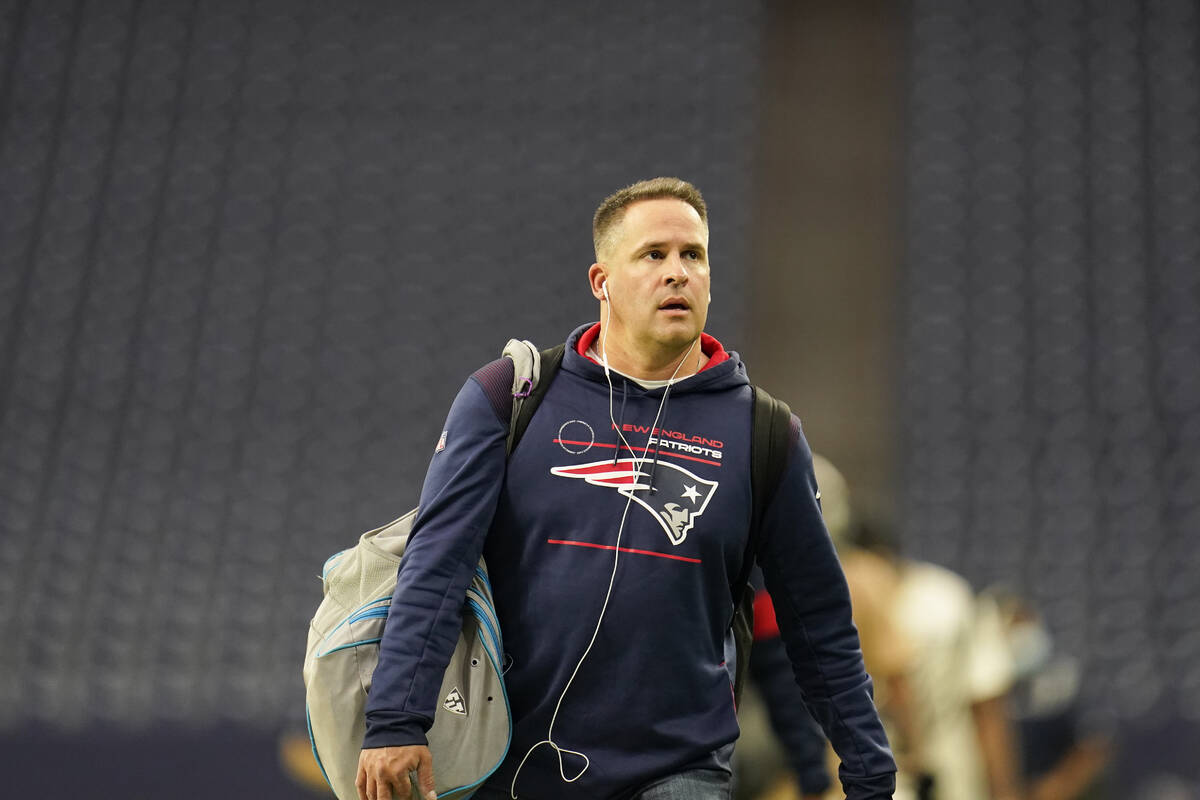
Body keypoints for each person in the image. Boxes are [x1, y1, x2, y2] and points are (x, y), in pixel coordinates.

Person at [356, 177, 896, 800]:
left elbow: (819, 621)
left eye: (693, 255)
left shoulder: (765, 434)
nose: (678, 273)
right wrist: (396, 719)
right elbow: (435, 566)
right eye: (653, 255)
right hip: (509, 759)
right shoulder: (509, 398)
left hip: (678, 768)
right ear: (601, 281)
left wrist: (870, 772)